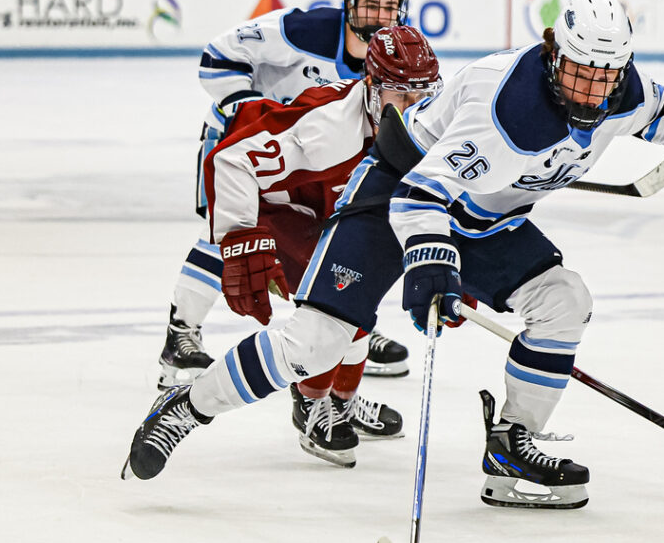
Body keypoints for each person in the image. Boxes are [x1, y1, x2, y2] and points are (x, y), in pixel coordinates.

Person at [123, 0, 664, 509]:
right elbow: (420, 198)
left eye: (604, 76)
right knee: (314, 344)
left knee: (564, 301)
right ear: (551, 54)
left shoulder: (616, 86)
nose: (591, 91)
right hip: (391, 198)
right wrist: (431, 263)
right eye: (577, 73)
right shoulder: (507, 110)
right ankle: (187, 408)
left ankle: (513, 444)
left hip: (485, 216)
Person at [124, 26, 442, 478]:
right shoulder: (327, 127)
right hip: (278, 205)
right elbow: (233, 161)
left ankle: (335, 404)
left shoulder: (432, 121)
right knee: (328, 327)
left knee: (351, 315)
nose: (414, 109)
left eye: (423, 95)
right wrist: (240, 240)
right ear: (371, 87)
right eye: (399, 94)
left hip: (338, 213)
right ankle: (218, 405)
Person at [158, 0, 413, 405]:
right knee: (225, 235)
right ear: (349, 2)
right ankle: (181, 338)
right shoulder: (304, 30)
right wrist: (252, 115)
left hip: (311, 165)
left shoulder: (394, 58)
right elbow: (218, 55)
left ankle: (343, 324)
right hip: (246, 149)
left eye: (388, 6)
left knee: (339, 241)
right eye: (369, 3)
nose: (379, 16)